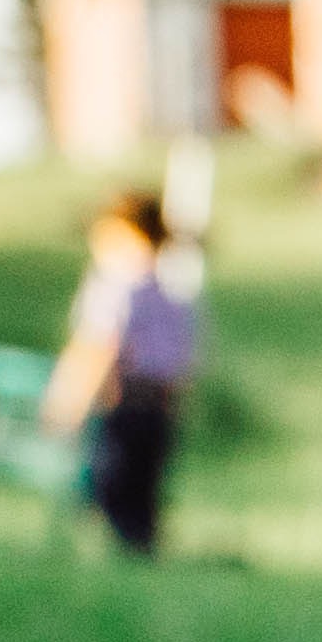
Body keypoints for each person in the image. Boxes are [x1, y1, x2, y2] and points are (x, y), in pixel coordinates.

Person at [42, 189, 201, 557]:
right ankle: (140, 548)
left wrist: (69, 402)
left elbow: (98, 349)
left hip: (122, 402)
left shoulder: (113, 289)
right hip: (159, 406)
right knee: (142, 488)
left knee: (111, 484)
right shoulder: (173, 296)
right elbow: (184, 362)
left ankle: (122, 550)